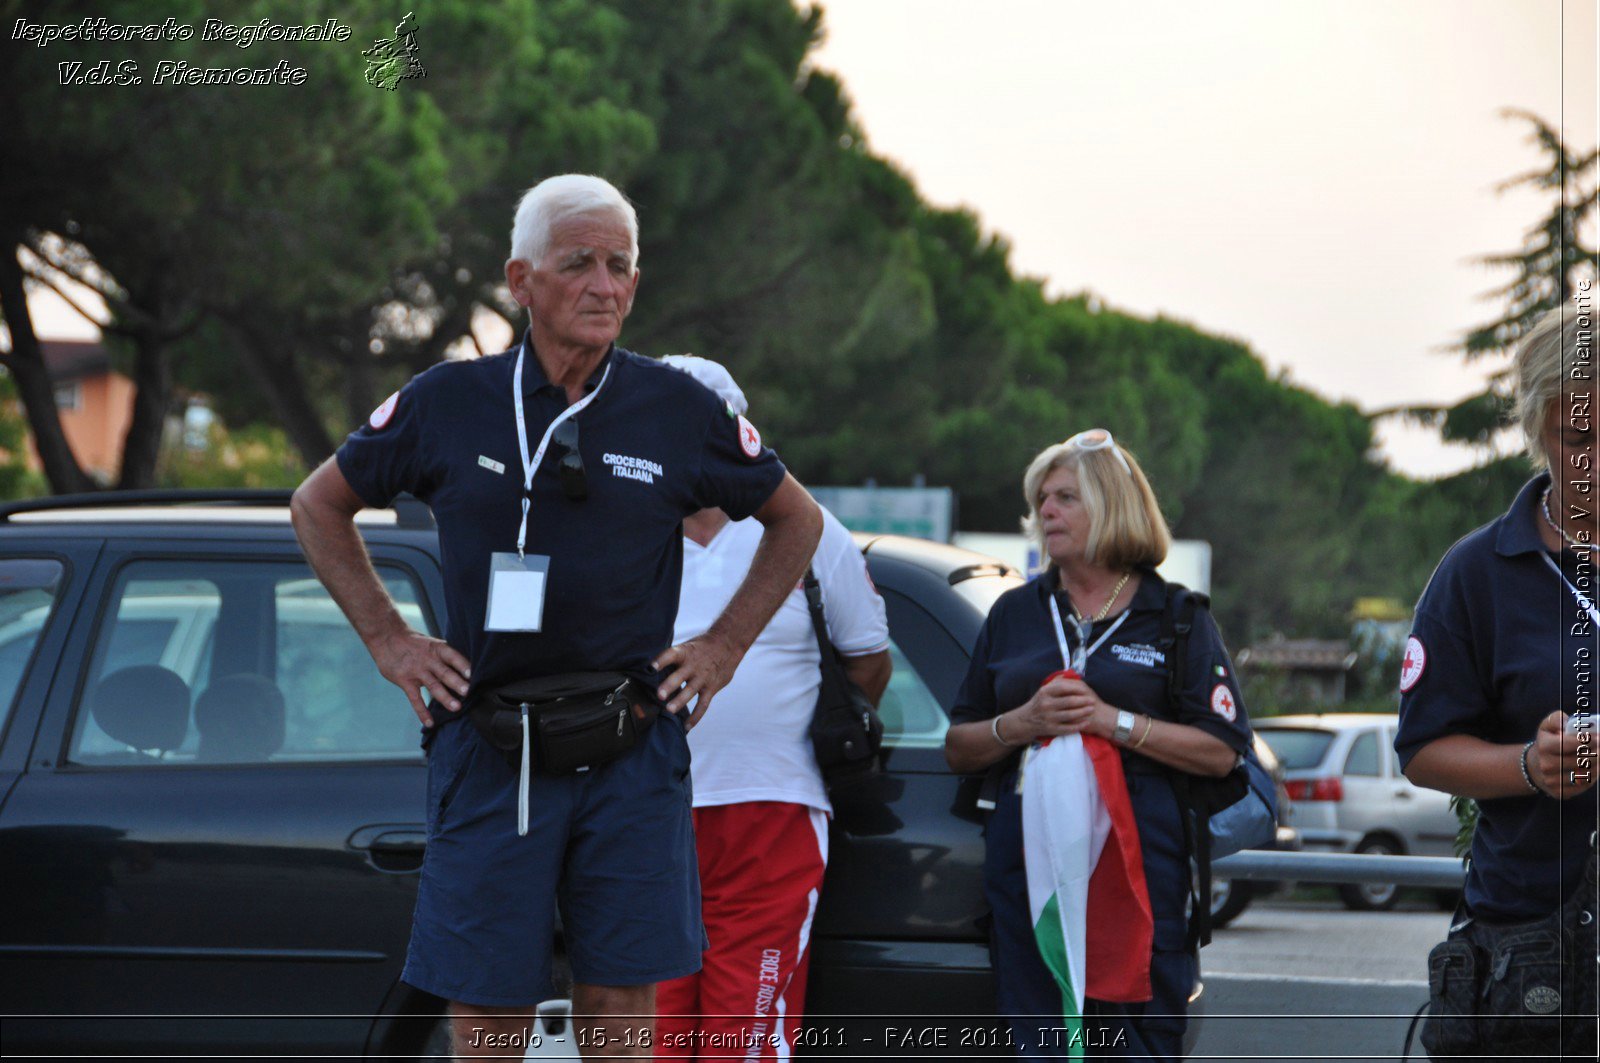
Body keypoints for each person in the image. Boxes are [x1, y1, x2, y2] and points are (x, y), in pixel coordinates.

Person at [289, 174, 823, 1059]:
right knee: (487, 1000)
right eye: (578, 264)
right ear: (521, 278)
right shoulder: (446, 402)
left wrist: (723, 646)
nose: (604, 286)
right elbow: (318, 504)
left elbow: (795, 519)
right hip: (491, 742)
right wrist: (390, 638)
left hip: (631, 741)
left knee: (619, 994)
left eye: (621, 267)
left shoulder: (678, 409)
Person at [944, 430, 1252, 1060]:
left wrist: (1111, 721)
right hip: (1032, 885)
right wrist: (1023, 721)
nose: (1045, 512)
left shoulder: (1178, 617)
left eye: (1065, 498)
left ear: (1113, 506)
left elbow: (1222, 750)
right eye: (1041, 500)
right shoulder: (1013, 614)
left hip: (1141, 887)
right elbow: (960, 745)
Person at [651, 356, 893, 1061]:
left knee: (744, 1042)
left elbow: (867, 662)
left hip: (772, 813)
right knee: (653, 1039)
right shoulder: (622, 532)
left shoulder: (812, 532)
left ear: (741, 431)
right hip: (642, 813)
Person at [1396, 303, 1598, 1055]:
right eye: (1578, 438)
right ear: (1537, 430)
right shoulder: (1475, 573)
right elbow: (1421, 748)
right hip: (1529, 949)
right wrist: (1528, 764)